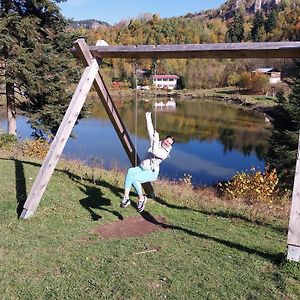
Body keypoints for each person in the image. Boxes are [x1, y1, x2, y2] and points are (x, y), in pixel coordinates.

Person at [121, 111, 175, 212]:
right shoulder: (156, 142)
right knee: (130, 171)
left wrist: (155, 140)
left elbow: (155, 151)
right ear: (164, 139)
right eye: (167, 140)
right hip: (142, 167)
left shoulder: (164, 153)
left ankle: (141, 199)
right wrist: (148, 117)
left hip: (152, 172)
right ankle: (126, 198)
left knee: (135, 180)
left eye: (169, 143)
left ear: (170, 146)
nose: (167, 143)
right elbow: (150, 130)